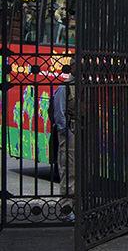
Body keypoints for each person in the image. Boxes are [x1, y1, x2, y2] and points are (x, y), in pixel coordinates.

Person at [52, 77, 76, 222]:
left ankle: (78, 207)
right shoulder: (65, 87)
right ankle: (66, 209)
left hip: (81, 129)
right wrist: (66, 133)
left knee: (79, 171)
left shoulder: (84, 83)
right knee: (69, 170)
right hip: (70, 131)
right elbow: (59, 113)